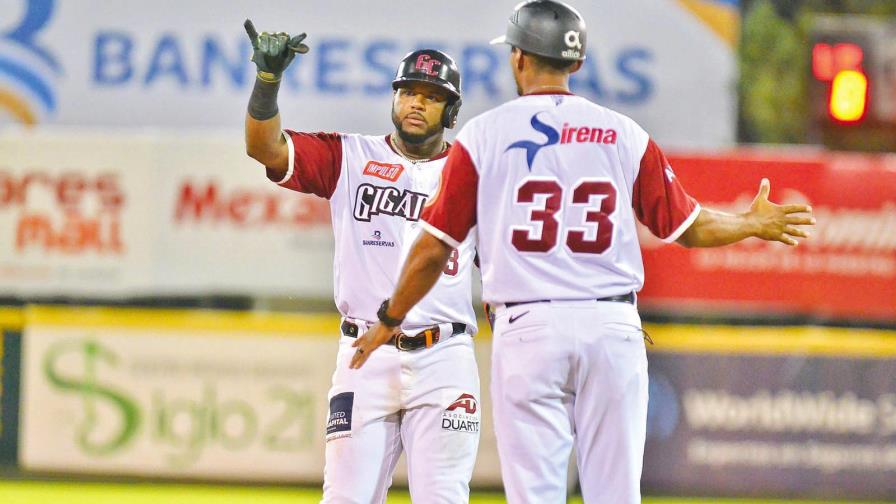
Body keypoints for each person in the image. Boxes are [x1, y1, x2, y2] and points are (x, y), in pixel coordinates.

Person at [350, 1, 817, 502]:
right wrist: (749, 222)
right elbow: (686, 225)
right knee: (615, 494)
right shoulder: (624, 133)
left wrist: (390, 316)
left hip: (528, 330)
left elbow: (432, 248)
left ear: (518, 58)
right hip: (611, 328)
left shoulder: (483, 136)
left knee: (537, 495)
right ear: (575, 63)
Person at [242, 20, 481, 503]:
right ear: (393, 99)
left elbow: (504, 270)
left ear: (450, 111)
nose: (416, 103)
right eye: (408, 91)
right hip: (363, 354)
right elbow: (263, 147)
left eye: (432, 96)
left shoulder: (473, 173)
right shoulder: (349, 155)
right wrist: (267, 85)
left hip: (444, 356)